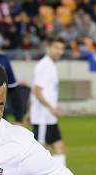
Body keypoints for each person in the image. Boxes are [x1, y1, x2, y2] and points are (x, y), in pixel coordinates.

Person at [30, 37, 67, 165]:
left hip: (48, 117)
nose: (59, 51)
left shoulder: (50, 65)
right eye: (56, 48)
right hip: (43, 117)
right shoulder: (45, 65)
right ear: (48, 48)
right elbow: (37, 91)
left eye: (62, 49)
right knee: (38, 152)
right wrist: (51, 108)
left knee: (59, 147)